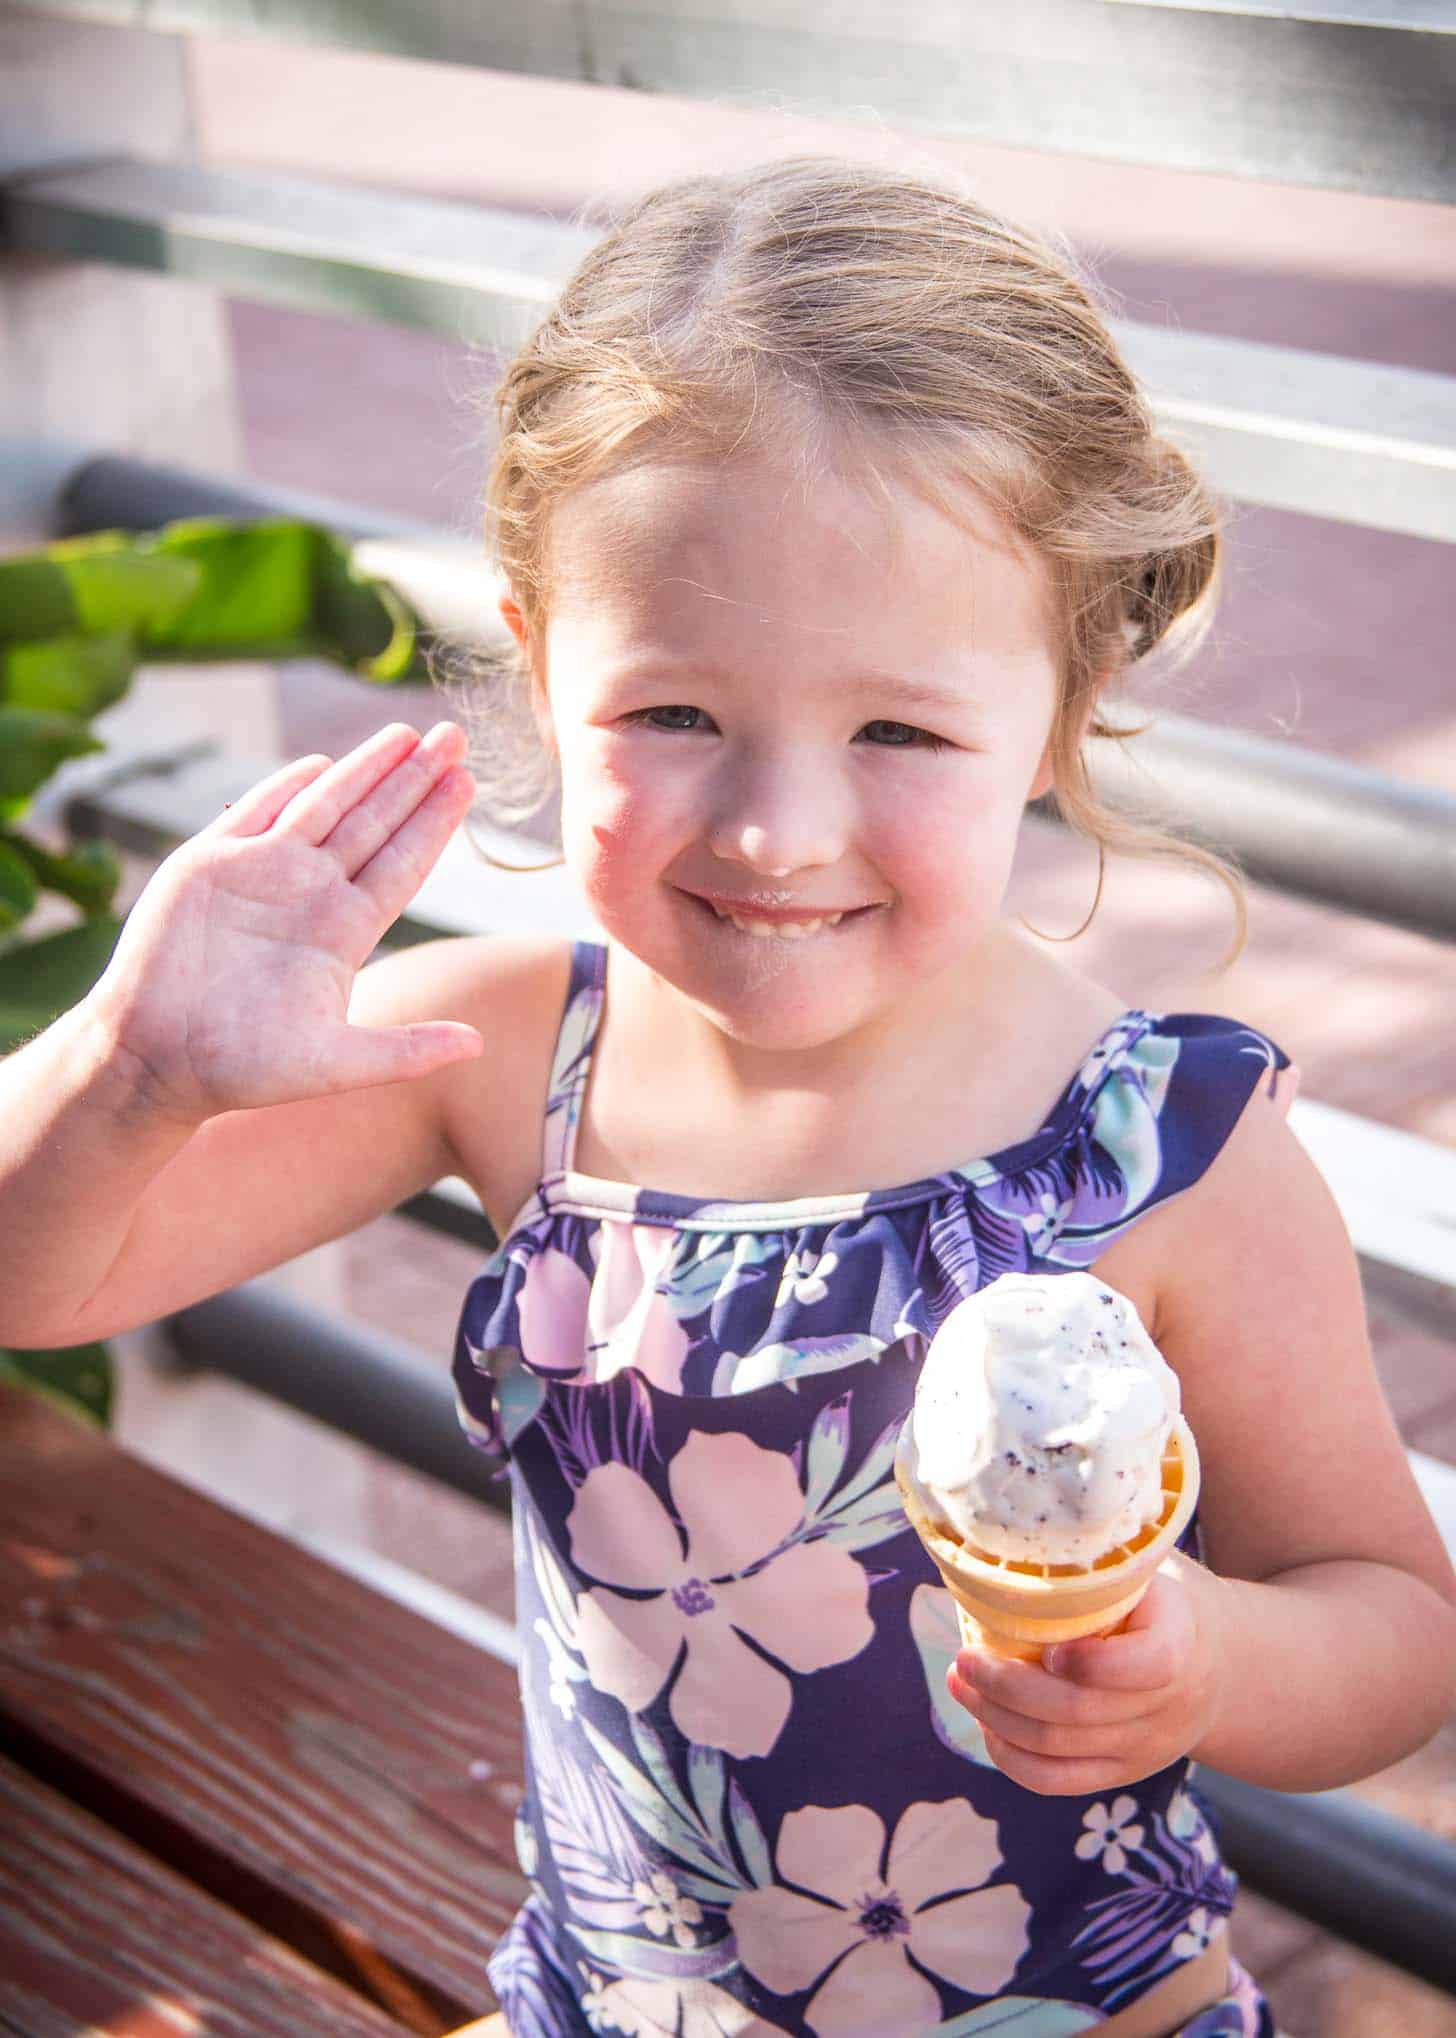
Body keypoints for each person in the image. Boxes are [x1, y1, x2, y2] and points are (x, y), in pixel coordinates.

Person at [3, 155, 1453, 2038]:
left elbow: (1398, 1626)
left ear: (1065, 702)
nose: (778, 827)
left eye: (902, 731)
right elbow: (38, 1283)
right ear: (539, 654)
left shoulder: (1162, 1153)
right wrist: (133, 1067)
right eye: (673, 712)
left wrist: (1207, 1665)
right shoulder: (507, 1056)